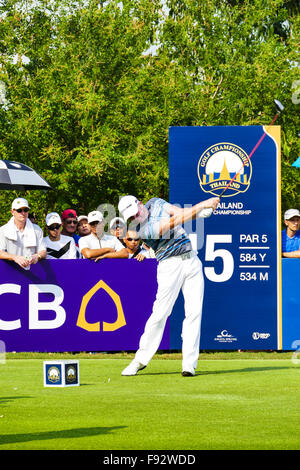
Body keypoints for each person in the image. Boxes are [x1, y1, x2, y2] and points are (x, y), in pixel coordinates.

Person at [118, 194, 220, 377]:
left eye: (135, 213)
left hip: (192, 260)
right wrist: (204, 204)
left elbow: (180, 212)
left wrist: (200, 213)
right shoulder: (141, 230)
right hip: (169, 265)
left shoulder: (156, 203)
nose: (135, 218)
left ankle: (189, 364)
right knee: (160, 313)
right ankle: (139, 360)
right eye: (131, 218)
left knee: (194, 313)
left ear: (140, 204)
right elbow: (173, 223)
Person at [0, 197, 46, 269]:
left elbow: (43, 251)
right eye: (19, 210)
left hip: (32, 270)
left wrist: (37, 256)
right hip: (10, 270)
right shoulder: (3, 230)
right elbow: (0, 252)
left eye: (26, 210)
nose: (23, 213)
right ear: (12, 212)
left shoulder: (37, 230)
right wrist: (15, 257)